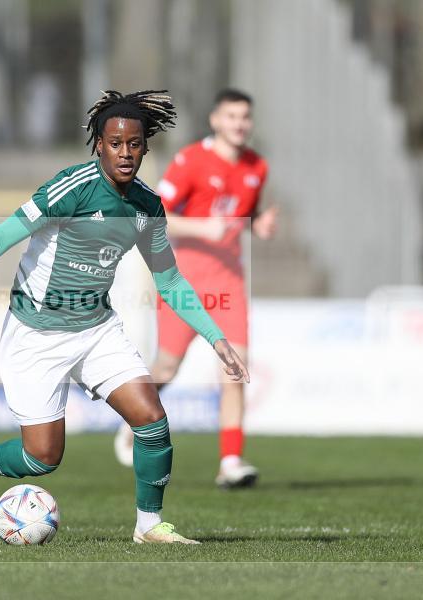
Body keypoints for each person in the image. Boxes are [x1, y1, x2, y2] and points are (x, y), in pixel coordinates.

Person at [0, 90, 249, 544]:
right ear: (98, 145)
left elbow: (169, 282)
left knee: (152, 421)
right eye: (115, 143)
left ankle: (148, 526)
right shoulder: (71, 188)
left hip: (96, 329)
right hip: (35, 335)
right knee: (42, 458)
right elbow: (1, 236)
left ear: (145, 147)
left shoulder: (146, 207)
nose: (125, 153)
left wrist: (215, 338)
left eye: (134, 144)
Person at [113, 88, 277, 489]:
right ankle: (134, 419)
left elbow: (244, 214)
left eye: (245, 117)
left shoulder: (257, 167)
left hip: (229, 281)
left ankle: (231, 462)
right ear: (216, 120)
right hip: (182, 279)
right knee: (167, 366)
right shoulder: (190, 161)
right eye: (232, 116)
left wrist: (259, 225)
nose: (239, 124)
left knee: (235, 367)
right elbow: (155, 215)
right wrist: (202, 227)